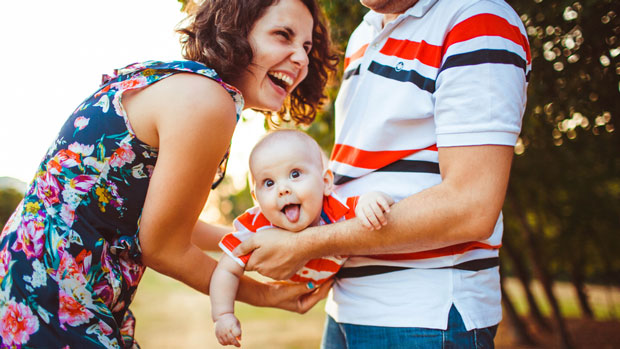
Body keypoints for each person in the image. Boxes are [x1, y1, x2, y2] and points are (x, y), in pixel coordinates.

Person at [0, 0, 339, 347]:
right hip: (51, 294)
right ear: (236, 29)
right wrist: (267, 295)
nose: (301, 58)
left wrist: (253, 243)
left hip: (27, 278)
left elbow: (165, 220)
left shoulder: (179, 81)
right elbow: (162, 247)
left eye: (307, 47)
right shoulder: (207, 100)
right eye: (283, 35)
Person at [232, 0, 532, 347]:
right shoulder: (364, 33)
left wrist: (301, 245)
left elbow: (472, 207)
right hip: (345, 309)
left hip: (423, 316)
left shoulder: (477, 19)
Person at [210, 129, 394, 347]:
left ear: (325, 182)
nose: (283, 189)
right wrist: (222, 315)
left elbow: (379, 201)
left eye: (295, 174)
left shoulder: (336, 209)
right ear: (256, 198)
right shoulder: (256, 227)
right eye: (269, 183)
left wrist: (372, 200)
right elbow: (226, 269)